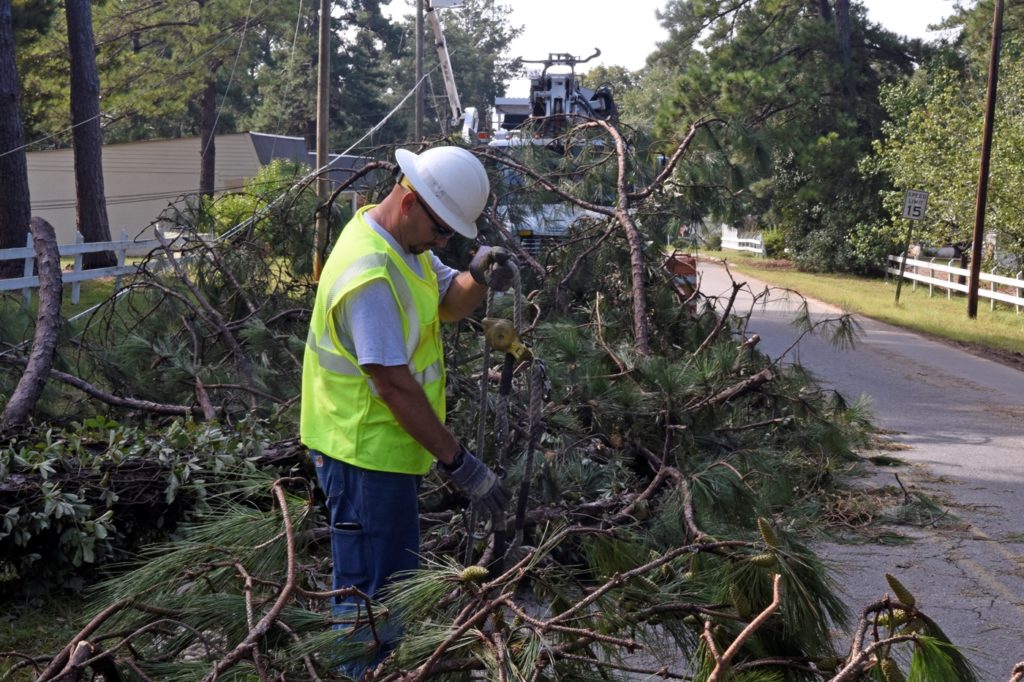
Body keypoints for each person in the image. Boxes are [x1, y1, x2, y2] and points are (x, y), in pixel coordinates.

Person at [300, 145, 514, 674]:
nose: (443, 243)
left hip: (386, 453)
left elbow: (448, 301)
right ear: (410, 201)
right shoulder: (371, 273)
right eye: (441, 231)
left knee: (388, 587)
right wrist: (460, 463)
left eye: (452, 237)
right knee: (371, 598)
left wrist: (478, 276)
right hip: (363, 455)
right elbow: (394, 386)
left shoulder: (403, 245)